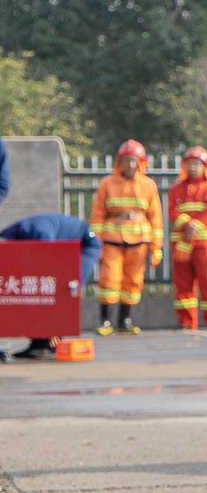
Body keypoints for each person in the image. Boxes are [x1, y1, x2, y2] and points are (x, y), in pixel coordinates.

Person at [0, 212, 99, 359]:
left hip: (86, 245)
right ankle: (39, 343)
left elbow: (48, 256)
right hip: (66, 245)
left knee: (63, 290)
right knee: (41, 293)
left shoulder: (40, 231)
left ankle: (51, 344)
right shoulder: (15, 231)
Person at [88, 140, 162, 335]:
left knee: (133, 281)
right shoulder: (107, 183)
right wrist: (96, 242)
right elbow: (97, 216)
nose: (130, 164)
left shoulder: (148, 185)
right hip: (112, 240)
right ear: (119, 162)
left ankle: (124, 320)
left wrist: (156, 247)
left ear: (141, 162)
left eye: (133, 160)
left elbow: (156, 219)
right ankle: (105, 321)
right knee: (109, 279)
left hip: (139, 241)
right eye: (126, 160)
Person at [166, 146, 207, 330]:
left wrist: (194, 226)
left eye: (197, 164)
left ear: (204, 167)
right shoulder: (176, 189)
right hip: (181, 243)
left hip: (203, 243)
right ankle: (186, 321)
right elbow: (172, 211)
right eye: (190, 164)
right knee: (183, 282)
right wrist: (187, 225)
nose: (193, 168)